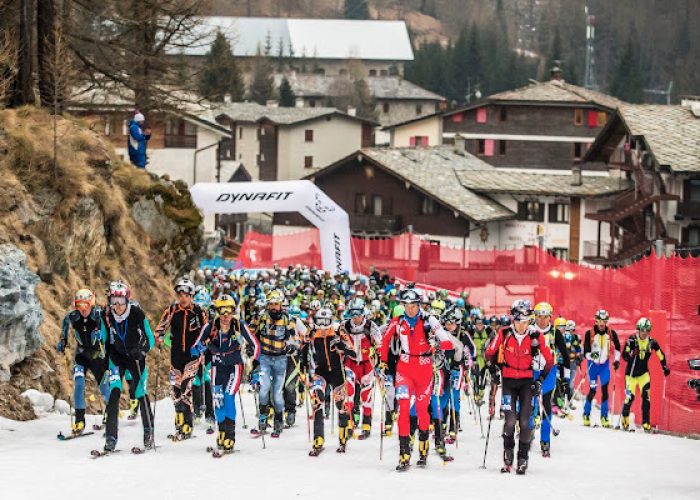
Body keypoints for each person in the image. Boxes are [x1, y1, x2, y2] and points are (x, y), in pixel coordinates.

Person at [378, 289, 453, 471]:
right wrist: (382, 361)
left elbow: (447, 341)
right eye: (407, 306)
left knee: (421, 409)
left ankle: (423, 449)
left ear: (419, 305)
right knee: (403, 408)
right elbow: (384, 340)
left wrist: (437, 344)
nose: (410, 310)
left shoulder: (429, 320)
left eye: (413, 306)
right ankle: (404, 454)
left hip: (424, 369)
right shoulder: (398, 321)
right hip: (404, 369)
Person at [486, 299, 553, 475]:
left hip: (526, 383)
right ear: (513, 319)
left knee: (525, 422)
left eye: (524, 322)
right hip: (508, 381)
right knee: (509, 421)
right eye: (518, 321)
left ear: (529, 320)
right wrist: (493, 369)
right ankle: (508, 458)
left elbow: (550, 361)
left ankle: (522, 459)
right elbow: (489, 353)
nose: (521, 326)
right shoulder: (504, 333)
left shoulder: (536, 336)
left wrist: (540, 381)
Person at [193, 294, 260, 454]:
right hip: (216, 368)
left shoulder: (238, 325)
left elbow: (256, 345)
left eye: (228, 311)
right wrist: (201, 348)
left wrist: (255, 362)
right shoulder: (210, 326)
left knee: (228, 397)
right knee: (218, 401)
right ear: (217, 311)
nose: (225, 315)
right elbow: (195, 346)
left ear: (233, 311)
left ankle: (230, 436)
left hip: (234, 367)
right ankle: (222, 432)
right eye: (221, 311)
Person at [100, 280, 155, 452]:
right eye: (114, 302)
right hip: (117, 358)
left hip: (135, 357)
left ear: (127, 300)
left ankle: (148, 432)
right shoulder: (106, 314)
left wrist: (142, 351)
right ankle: (111, 438)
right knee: (114, 394)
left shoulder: (137, 313)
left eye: (121, 302)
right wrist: (105, 355)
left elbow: (150, 338)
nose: (117, 306)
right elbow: (104, 337)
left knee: (140, 393)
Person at [155, 278, 208, 440]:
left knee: (186, 388)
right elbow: (161, 326)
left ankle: (188, 423)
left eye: (186, 295)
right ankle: (179, 417)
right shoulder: (172, 309)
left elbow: (207, 331)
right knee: (176, 390)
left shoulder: (199, 311)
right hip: (176, 356)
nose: (183, 298)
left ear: (192, 295)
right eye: (180, 294)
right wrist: (160, 335)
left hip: (192, 356)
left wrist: (202, 345)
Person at [58, 289, 109, 435]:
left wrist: (103, 335)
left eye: (85, 305)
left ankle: (110, 413)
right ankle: (79, 421)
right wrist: (63, 340)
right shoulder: (72, 317)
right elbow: (65, 325)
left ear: (91, 303)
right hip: (81, 355)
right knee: (79, 384)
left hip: (98, 356)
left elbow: (109, 330)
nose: (83, 309)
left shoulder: (98, 314)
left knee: (104, 387)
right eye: (79, 305)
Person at [307, 308, 355, 456]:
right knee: (317, 401)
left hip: (336, 371)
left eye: (326, 322)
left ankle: (343, 437)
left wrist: (342, 348)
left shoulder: (337, 331)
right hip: (320, 371)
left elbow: (352, 349)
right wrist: (301, 357)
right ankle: (318, 439)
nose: (323, 326)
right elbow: (302, 345)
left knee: (340, 403)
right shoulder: (313, 332)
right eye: (320, 322)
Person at [251, 289, 296, 437]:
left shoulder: (286, 318)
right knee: (264, 388)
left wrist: (291, 346)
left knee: (277, 393)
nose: (274, 307)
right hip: (265, 358)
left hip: (281, 359)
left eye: (277, 304)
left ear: (281, 305)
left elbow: (292, 337)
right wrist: (250, 347)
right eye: (271, 304)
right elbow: (251, 333)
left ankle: (278, 419)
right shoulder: (261, 317)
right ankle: (263, 416)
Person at [531, 303, 569, 457]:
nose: (542, 320)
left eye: (545, 317)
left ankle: (545, 441)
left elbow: (565, 355)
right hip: (531, 370)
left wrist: (565, 378)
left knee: (546, 404)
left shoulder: (555, 332)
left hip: (549, 372)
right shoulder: (530, 329)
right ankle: (528, 429)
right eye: (539, 316)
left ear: (550, 317)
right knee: (530, 403)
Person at [341, 298, 382, 439]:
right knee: (349, 395)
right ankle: (349, 423)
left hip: (366, 365)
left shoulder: (370, 325)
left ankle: (366, 425)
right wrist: (341, 348)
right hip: (351, 364)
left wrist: (374, 351)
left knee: (366, 396)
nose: (355, 317)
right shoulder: (345, 325)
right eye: (352, 313)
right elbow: (336, 340)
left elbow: (380, 342)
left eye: (358, 313)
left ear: (363, 312)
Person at [621, 317, 670, 432]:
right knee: (629, 398)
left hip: (644, 375)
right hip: (631, 375)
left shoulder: (652, 342)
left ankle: (646, 423)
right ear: (638, 329)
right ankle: (625, 419)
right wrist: (632, 353)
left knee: (646, 398)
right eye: (643, 330)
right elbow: (624, 355)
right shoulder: (632, 340)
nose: (645, 333)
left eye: (647, 330)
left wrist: (665, 367)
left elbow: (661, 355)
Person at [583, 309, 621, 428]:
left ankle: (604, 417)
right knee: (593, 390)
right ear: (596, 320)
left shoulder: (611, 333)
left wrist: (616, 360)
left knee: (605, 390)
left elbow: (618, 347)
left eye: (604, 321)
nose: (601, 324)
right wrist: (591, 356)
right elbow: (586, 352)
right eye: (599, 321)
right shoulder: (589, 333)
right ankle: (586, 414)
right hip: (592, 366)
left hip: (604, 365)